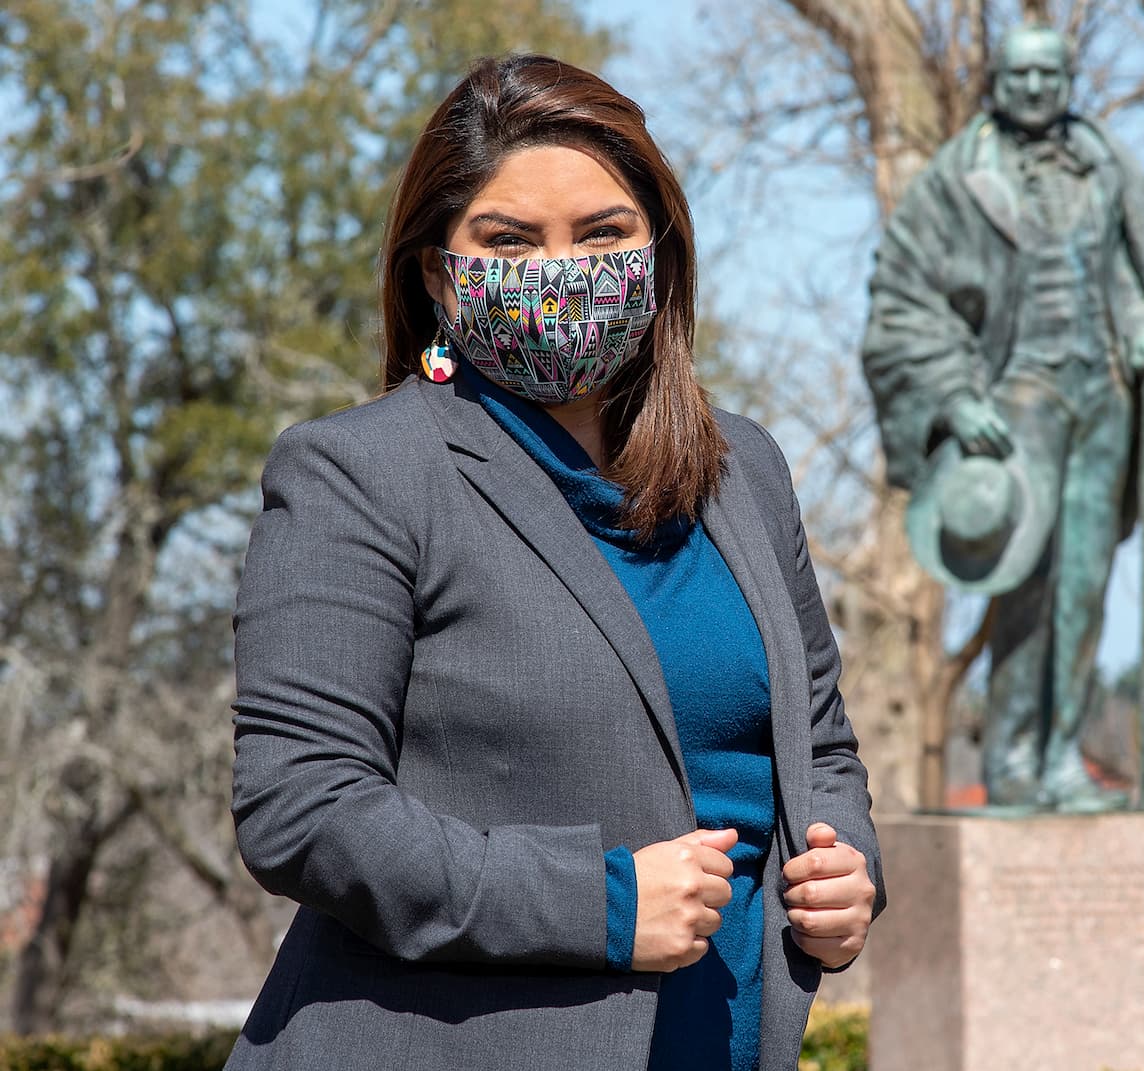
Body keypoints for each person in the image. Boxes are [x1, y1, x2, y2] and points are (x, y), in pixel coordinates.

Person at [227, 54, 882, 1071]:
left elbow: (820, 744)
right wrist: (607, 905)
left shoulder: (742, 468)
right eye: (509, 239)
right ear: (440, 273)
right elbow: (300, 806)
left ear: (658, 252)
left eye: (603, 234)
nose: (560, 270)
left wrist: (847, 870)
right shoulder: (360, 472)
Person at [859, 24, 1144, 810]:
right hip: (1018, 402)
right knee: (1027, 580)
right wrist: (955, 393)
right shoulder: (955, 179)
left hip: (1102, 393)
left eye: (1051, 72)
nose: (1037, 86)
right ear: (998, 81)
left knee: (1084, 580)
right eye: (1021, 73)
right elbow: (902, 301)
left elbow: (1141, 275)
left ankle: (1063, 757)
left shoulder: (1109, 165)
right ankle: (1012, 758)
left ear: (1068, 76)